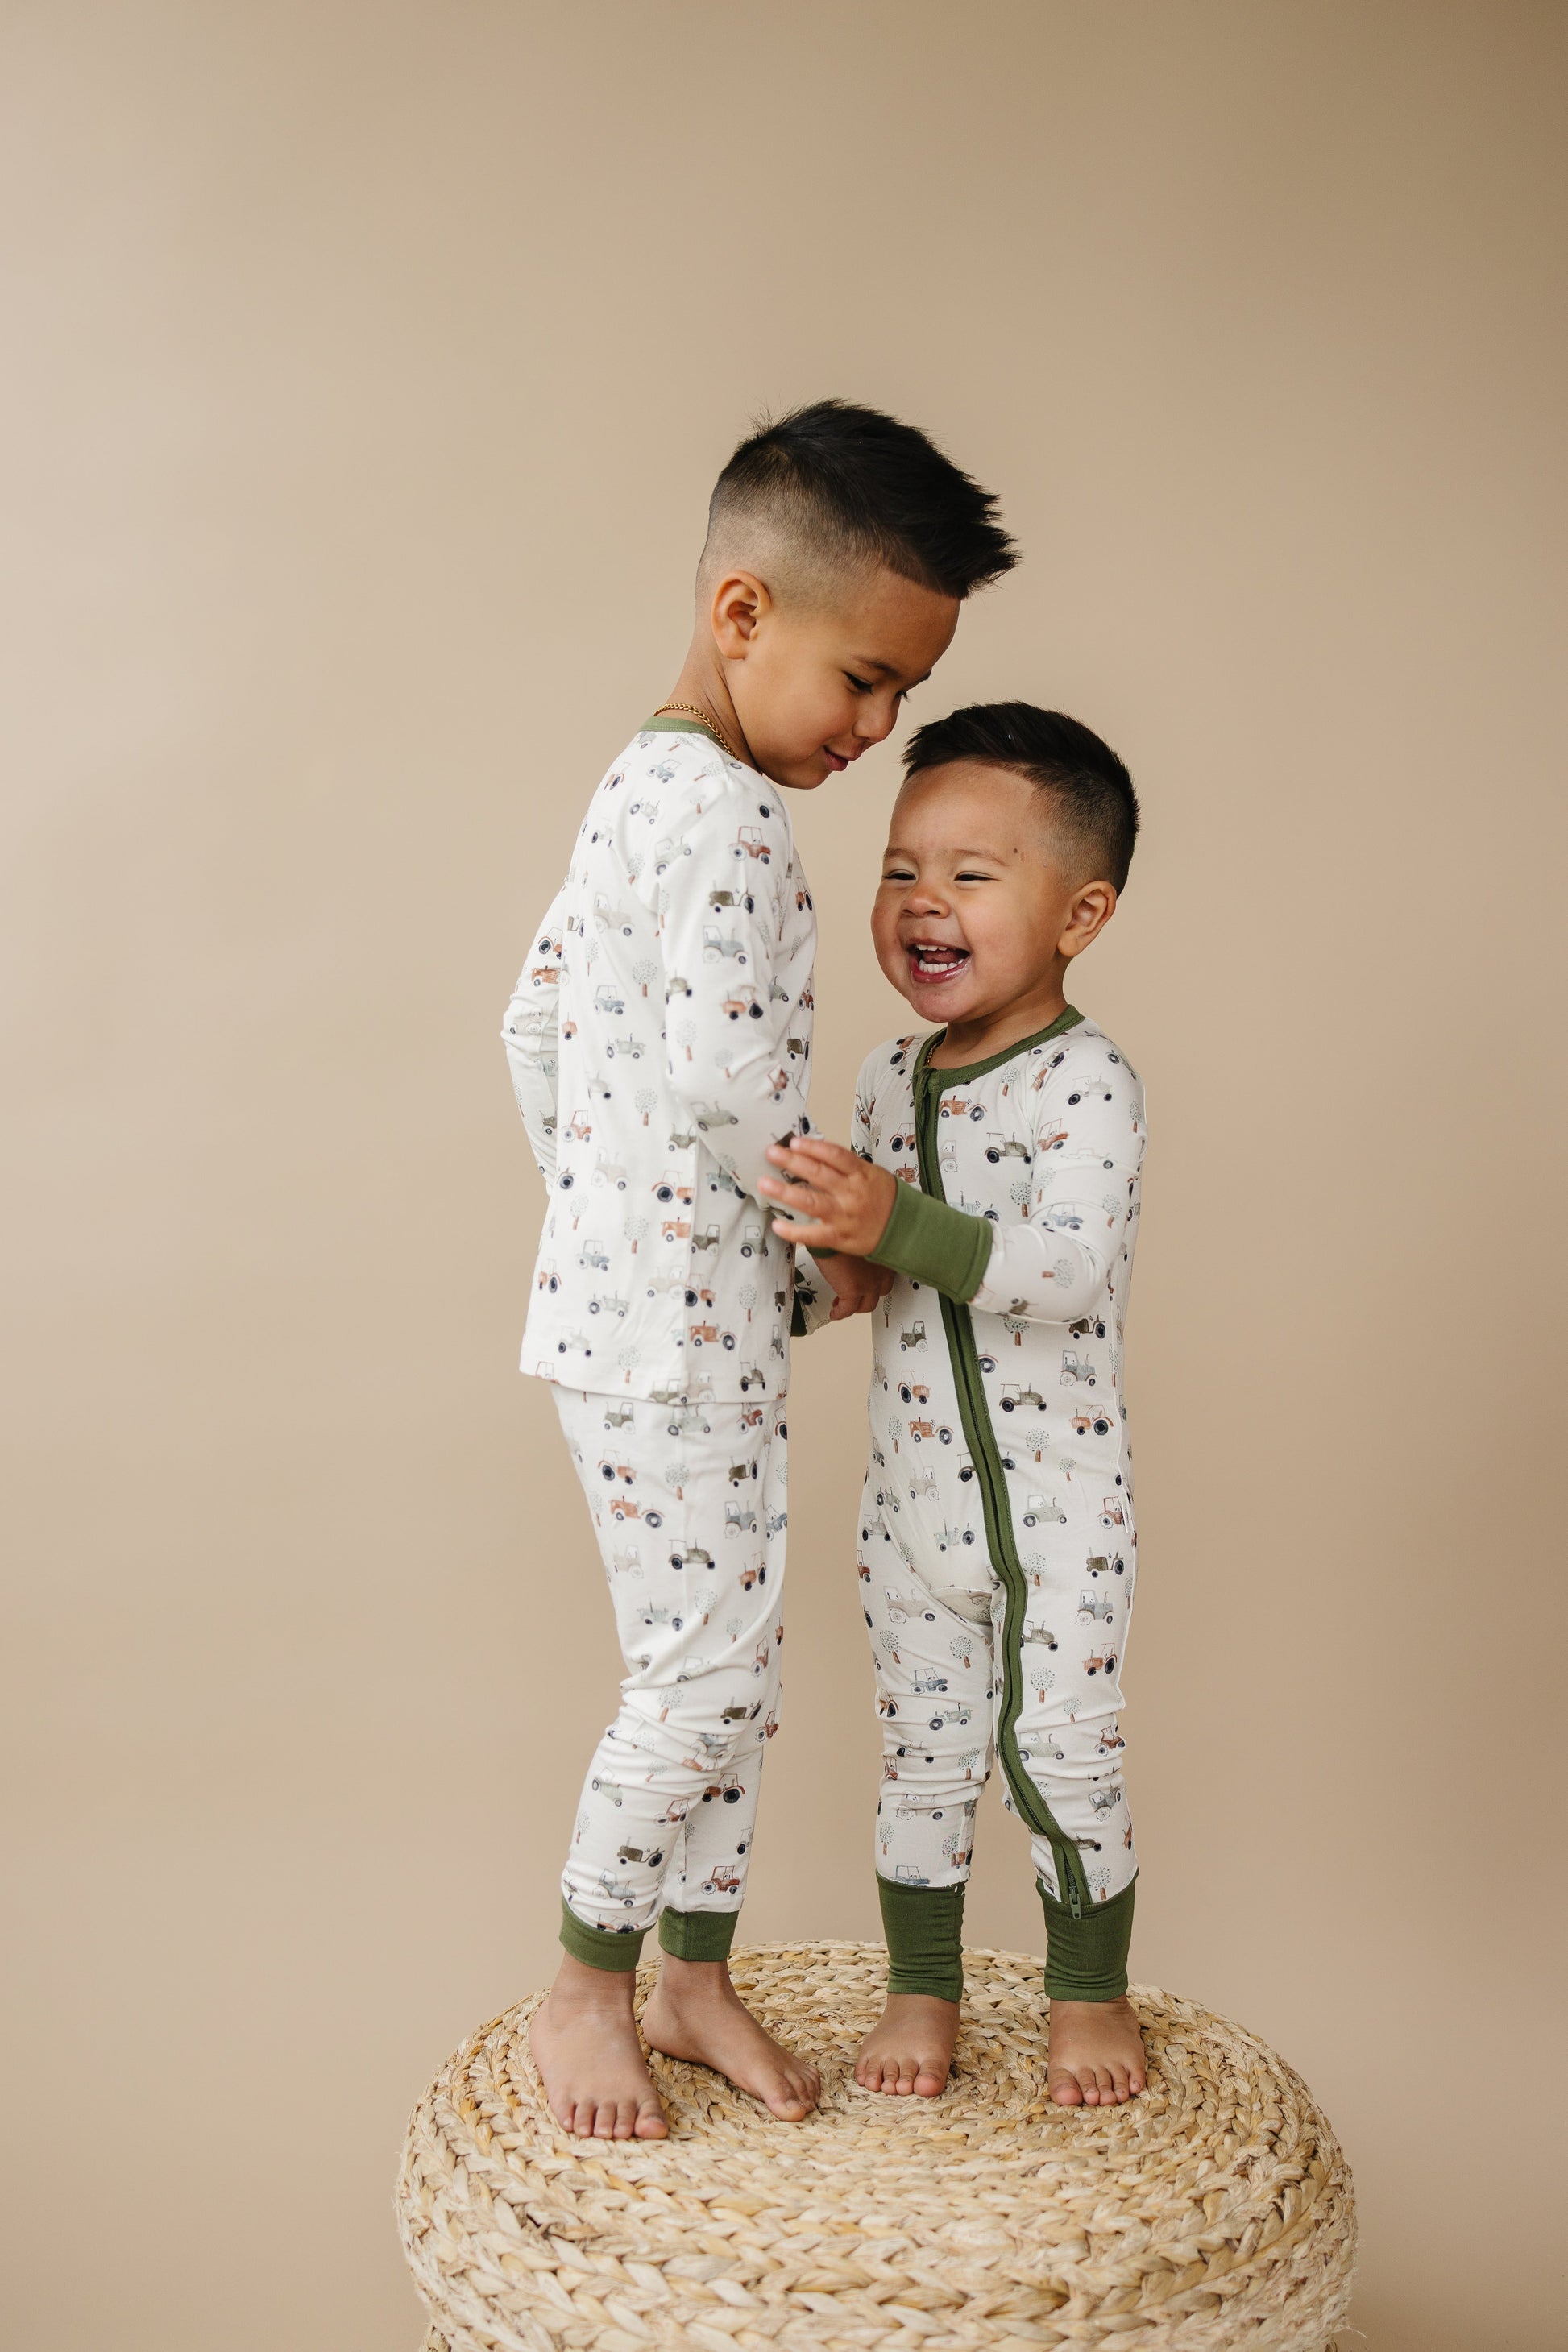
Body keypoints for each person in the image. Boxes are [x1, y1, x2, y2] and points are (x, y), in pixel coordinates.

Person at [502, 404, 1017, 2141]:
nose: (874, 731)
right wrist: (827, 1239)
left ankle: (693, 1974)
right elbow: (733, 1090)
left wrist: (605, 1208)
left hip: (643, 1309)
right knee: (705, 1675)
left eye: (902, 695)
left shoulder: (630, 785)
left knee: (731, 1659)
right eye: (863, 681)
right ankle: (587, 1985)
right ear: (742, 614)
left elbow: (531, 1028)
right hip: (673, 1330)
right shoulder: (723, 818)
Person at [758, 700, 1149, 2110]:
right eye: (899, 870)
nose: (923, 900)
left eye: (971, 875)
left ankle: (1085, 1994)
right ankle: (919, 1986)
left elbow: (1065, 1268)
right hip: (911, 1508)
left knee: (1060, 1754)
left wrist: (894, 1219)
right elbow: (873, 1273)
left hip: (1057, 1515)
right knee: (922, 1758)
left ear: (1078, 913)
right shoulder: (885, 1077)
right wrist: (787, 1279)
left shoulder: (1085, 1083)